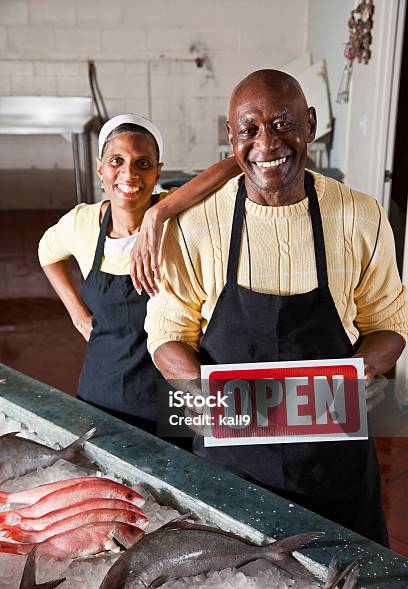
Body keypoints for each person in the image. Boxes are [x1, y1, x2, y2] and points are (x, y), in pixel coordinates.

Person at [144, 71, 408, 545]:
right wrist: (199, 396)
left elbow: (389, 322)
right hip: (232, 465)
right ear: (231, 137)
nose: (267, 143)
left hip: (334, 464)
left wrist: (366, 369)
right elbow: (167, 335)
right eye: (249, 129)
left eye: (283, 124)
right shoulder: (194, 224)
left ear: (309, 124)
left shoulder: (360, 215)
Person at [38, 114, 240, 433]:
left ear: (158, 171)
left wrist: (158, 213)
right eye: (116, 160)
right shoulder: (83, 224)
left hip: (171, 394)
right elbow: (47, 252)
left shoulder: (182, 214)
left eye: (143, 163)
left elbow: (237, 162)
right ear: (100, 168)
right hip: (101, 391)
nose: (128, 174)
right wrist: (77, 313)